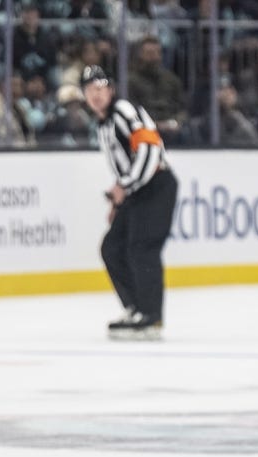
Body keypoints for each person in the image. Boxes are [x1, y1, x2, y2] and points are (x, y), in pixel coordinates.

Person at [81, 65, 178, 340]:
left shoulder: (124, 111)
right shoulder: (103, 124)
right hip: (136, 191)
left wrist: (124, 186)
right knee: (112, 247)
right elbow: (123, 165)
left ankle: (151, 315)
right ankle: (136, 308)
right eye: (89, 90)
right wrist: (118, 201)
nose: (95, 95)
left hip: (155, 186)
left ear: (111, 90)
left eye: (100, 88)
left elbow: (149, 148)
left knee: (142, 248)